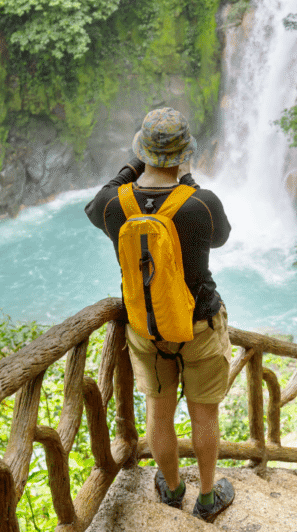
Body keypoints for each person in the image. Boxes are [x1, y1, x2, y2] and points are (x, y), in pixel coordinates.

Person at [84, 107, 234, 522]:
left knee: (158, 410)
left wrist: (132, 168)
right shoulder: (200, 203)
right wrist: (187, 181)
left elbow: (95, 204)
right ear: (184, 154)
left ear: (142, 152)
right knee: (204, 412)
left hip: (146, 329)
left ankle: (170, 489)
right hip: (199, 324)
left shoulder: (116, 205)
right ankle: (207, 496)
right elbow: (220, 237)